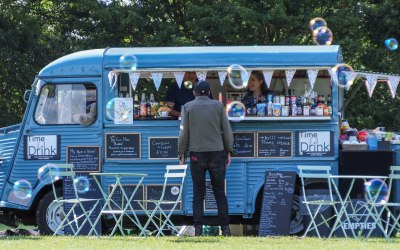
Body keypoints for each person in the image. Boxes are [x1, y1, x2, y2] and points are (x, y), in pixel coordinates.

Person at [178, 81, 233, 237]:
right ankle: (225, 228)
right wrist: (229, 150)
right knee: (220, 193)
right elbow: (227, 131)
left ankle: (198, 229)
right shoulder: (218, 106)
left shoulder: (187, 107)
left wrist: (181, 152)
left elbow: (183, 134)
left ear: (194, 93)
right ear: (209, 92)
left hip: (196, 154)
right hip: (217, 153)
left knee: (198, 192)